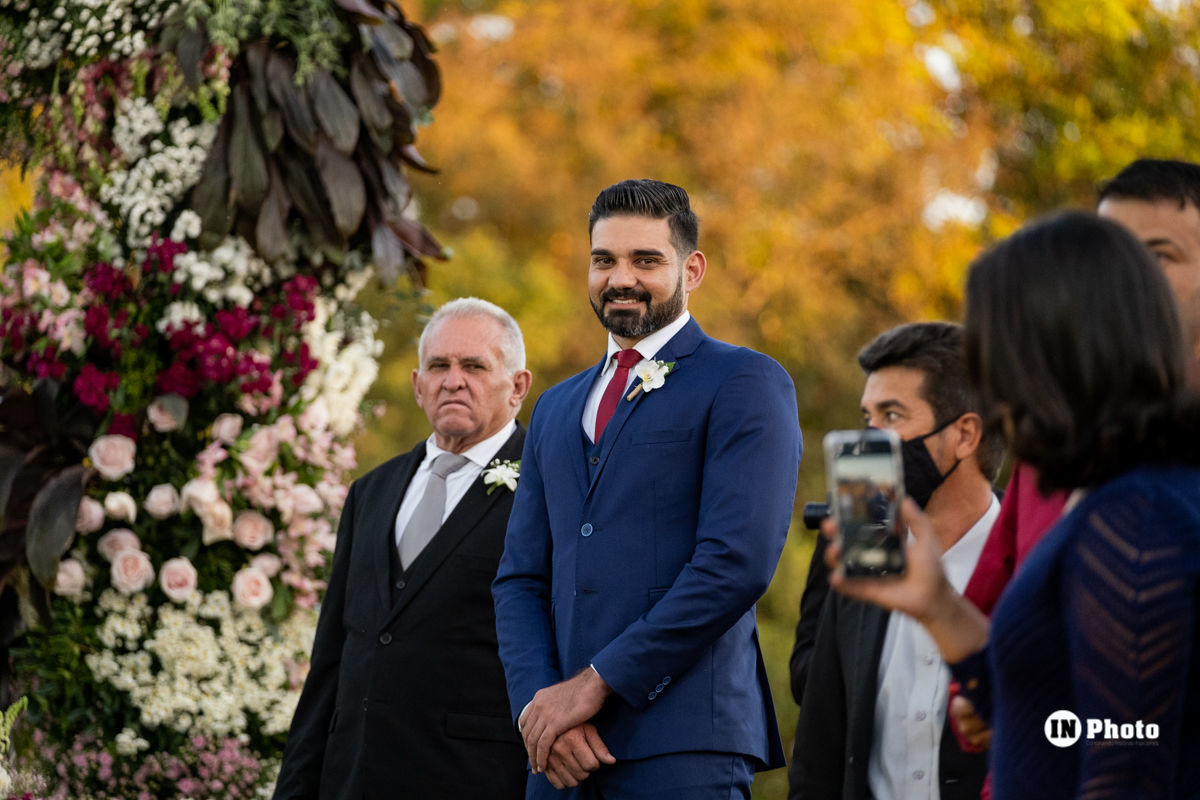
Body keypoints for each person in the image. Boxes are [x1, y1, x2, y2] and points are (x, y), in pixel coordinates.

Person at [828, 211, 1200, 799]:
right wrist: (937, 607)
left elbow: (1125, 766)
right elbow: (1055, 724)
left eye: (993, 338)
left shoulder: (1137, 519)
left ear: (1053, 344)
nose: (987, 371)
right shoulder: (1106, 496)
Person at [492, 179, 802, 798]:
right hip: (558, 760)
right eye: (603, 260)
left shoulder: (744, 381)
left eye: (645, 260)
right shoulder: (554, 408)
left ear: (692, 268)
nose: (620, 278)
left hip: (683, 746)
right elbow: (521, 577)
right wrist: (542, 708)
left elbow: (733, 565)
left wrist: (594, 685)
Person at [273, 298, 532, 800]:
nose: (453, 380)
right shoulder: (370, 491)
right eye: (439, 366)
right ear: (417, 385)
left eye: (474, 366)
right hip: (351, 778)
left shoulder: (547, 491)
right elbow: (332, 659)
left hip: (473, 779)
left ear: (517, 385)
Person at [788, 322, 1004, 800]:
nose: (870, 438)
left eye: (892, 415)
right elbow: (818, 757)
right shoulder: (860, 562)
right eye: (868, 418)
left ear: (965, 435)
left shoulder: (1035, 562)